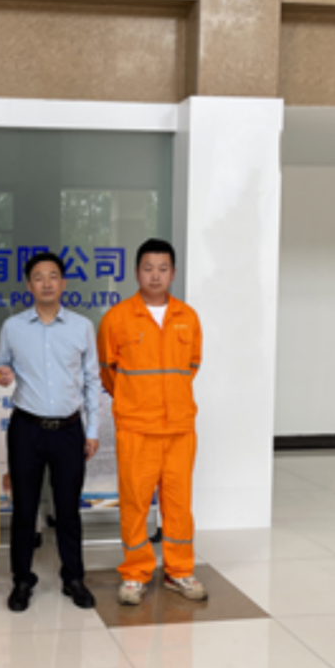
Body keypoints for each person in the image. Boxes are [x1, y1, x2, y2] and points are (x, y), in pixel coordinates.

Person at [97, 238, 205, 606]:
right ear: (136, 272)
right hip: (136, 428)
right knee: (135, 504)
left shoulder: (187, 317)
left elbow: (191, 366)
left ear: (173, 273)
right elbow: (107, 370)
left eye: (162, 269)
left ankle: (179, 571)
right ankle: (135, 573)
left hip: (179, 428)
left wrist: (168, 397)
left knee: (178, 504)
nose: (155, 275)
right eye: (148, 268)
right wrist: (135, 399)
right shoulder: (117, 318)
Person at [0, 252, 101, 612]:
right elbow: (0, 365)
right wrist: (3, 374)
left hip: (69, 429)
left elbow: (92, 380)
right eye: (38, 277)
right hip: (27, 428)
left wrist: (92, 430)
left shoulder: (81, 327)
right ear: (29, 285)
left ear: (63, 283)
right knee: (24, 509)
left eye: (53, 276)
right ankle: (22, 580)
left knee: (68, 510)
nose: (46, 283)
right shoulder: (12, 327)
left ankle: (74, 578)